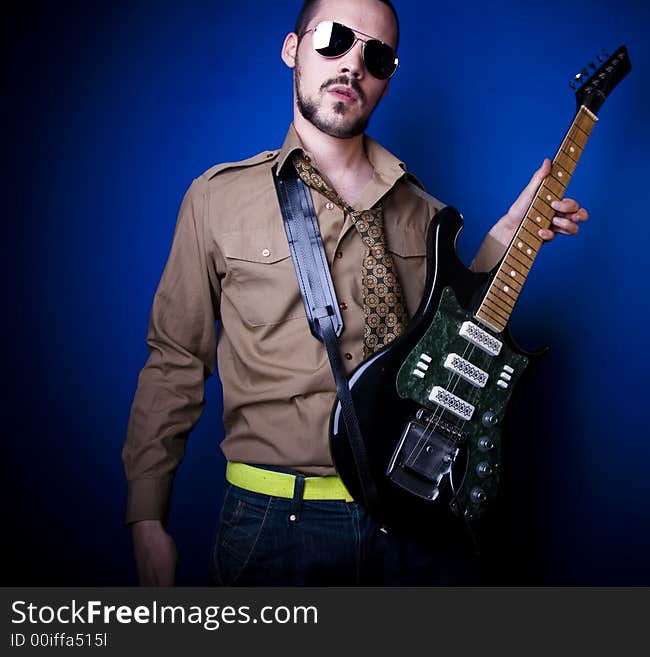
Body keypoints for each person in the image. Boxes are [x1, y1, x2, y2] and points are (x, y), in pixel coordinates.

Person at [123, 0, 589, 586]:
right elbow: (175, 362)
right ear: (293, 48)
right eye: (335, 39)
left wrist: (508, 236)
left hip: (416, 519)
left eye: (377, 54)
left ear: (389, 79)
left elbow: (455, 335)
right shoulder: (215, 200)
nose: (352, 64)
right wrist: (146, 517)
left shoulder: (428, 214)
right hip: (275, 522)